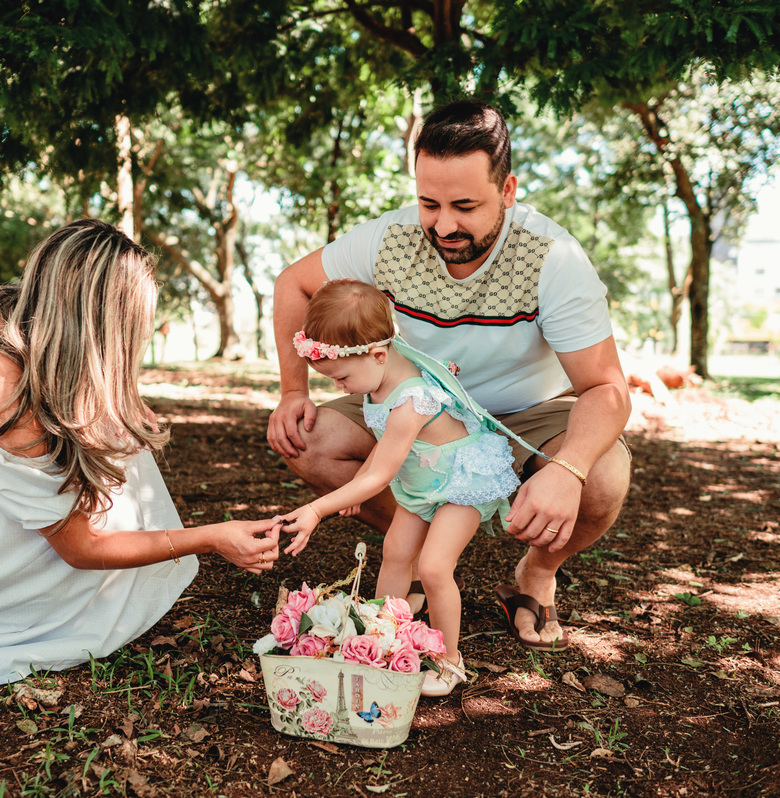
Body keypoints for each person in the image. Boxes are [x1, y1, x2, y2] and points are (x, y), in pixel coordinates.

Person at [0, 219, 281, 685]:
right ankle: (36, 613)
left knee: (112, 442)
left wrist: (122, 405)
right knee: (102, 491)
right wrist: (210, 538)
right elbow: (83, 549)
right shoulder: (8, 398)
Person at [267, 99, 632, 652]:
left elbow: (606, 388)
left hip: (522, 417)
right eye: (428, 203)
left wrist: (569, 467)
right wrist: (294, 390)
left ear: (507, 191)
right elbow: (293, 283)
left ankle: (535, 573)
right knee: (306, 440)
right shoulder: (388, 239)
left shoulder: (552, 257)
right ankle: (414, 559)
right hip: (420, 408)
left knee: (601, 476)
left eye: (465, 205)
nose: (443, 225)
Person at [280, 280, 521, 696]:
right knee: (394, 553)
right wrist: (355, 485)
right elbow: (380, 456)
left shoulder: (412, 398)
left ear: (377, 354)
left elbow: (382, 471)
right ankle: (379, 637)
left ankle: (450, 661)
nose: (338, 387)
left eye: (341, 377)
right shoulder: (377, 380)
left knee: (432, 568)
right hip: (420, 482)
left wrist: (320, 508)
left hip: (460, 481)